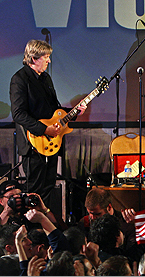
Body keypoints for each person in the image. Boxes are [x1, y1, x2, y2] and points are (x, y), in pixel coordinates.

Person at [9, 39, 86, 202]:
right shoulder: (20, 79)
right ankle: (30, 226)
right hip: (33, 144)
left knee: (48, 188)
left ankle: (44, 224)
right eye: (46, 57)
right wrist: (44, 129)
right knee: (34, 190)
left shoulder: (45, 79)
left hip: (51, 142)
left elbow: (53, 110)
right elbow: (18, 114)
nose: (49, 61)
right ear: (34, 59)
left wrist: (74, 112)